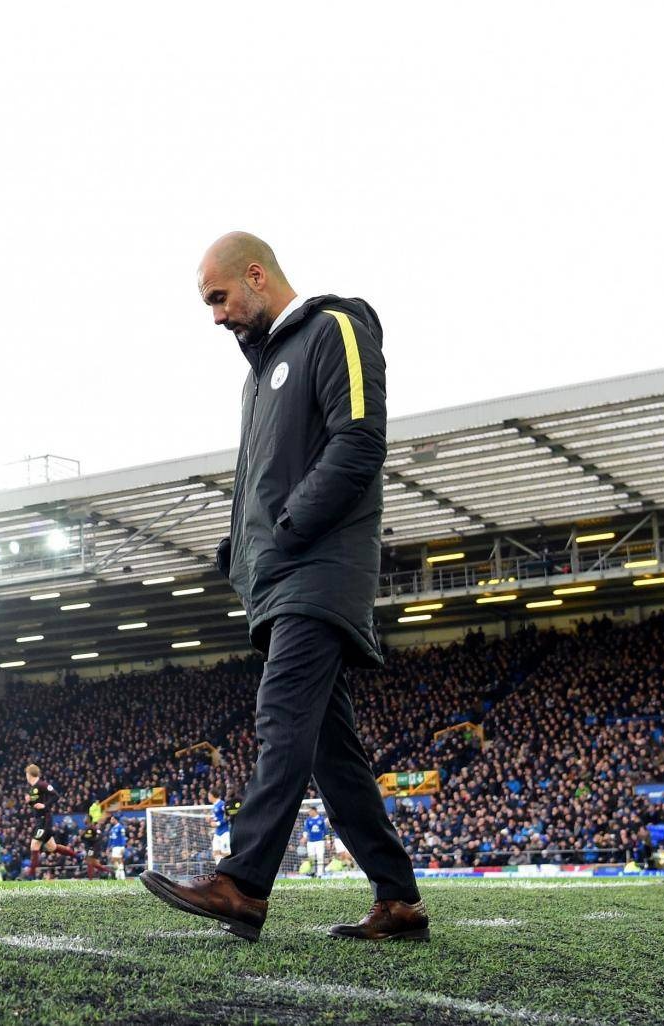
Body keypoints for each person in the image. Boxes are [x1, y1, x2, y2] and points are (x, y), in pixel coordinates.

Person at [140, 232, 427, 943]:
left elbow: (359, 441)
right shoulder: (259, 372)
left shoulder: (336, 328)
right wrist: (238, 545)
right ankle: (399, 900)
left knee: (281, 718)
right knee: (334, 756)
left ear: (257, 276)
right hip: (279, 576)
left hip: (319, 572)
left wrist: (290, 526)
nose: (215, 316)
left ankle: (243, 884)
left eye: (219, 297)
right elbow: (267, 478)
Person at [23, 764, 77, 878]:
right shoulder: (32, 789)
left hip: (44, 819)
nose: (26, 777)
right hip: (39, 819)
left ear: (29, 774)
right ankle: (77, 855)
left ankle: (30, 876)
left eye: (26, 774)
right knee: (52, 847)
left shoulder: (42, 784)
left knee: (34, 845)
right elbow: (36, 804)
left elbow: (56, 795)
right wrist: (29, 802)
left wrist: (44, 805)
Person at [208, 789, 232, 863]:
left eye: (209, 795)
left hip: (224, 832)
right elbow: (218, 818)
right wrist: (210, 820)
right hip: (217, 833)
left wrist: (217, 823)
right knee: (215, 852)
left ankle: (228, 871)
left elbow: (228, 816)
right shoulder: (214, 805)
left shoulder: (222, 804)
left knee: (226, 854)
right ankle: (219, 870)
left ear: (212, 796)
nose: (208, 797)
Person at [302, 810, 328, 877]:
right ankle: (312, 872)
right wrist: (304, 837)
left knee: (320, 857)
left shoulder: (321, 819)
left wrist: (328, 842)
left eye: (310, 811)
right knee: (311, 858)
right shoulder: (308, 820)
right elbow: (305, 830)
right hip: (310, 842)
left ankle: (320, 874)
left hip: (320, 841)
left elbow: (325, 831)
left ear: (314, 811)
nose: (309, 813)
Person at [107, 813, 128, 880]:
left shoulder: (120, 827)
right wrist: (108, 847)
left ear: (115, 820)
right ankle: (119, 876)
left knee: (118, 860)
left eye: (112, 819)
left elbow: (123, 837)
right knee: (116, 861)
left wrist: (123, 846)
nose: (110, 820)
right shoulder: (112, 828)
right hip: (114, 847)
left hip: (119, 847)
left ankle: (121, 876)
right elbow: (111, 839)